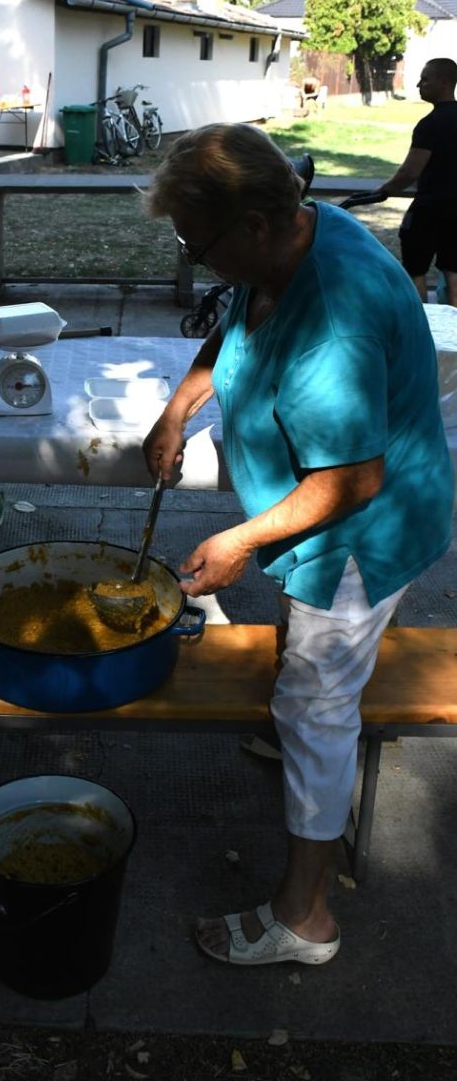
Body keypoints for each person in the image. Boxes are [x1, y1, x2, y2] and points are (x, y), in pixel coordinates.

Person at [142, 123, 454, 966]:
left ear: (252, 224)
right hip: (332, 518)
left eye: (198, 244)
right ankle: (294, 730)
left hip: (358, 536)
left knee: (318, 707)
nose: (195, 259)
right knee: (307, 682)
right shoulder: (286, 236)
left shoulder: (334, 320)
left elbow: (351, 481)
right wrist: (179, 409)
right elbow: (238, 322)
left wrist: (239, 539)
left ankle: (305, 916)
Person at [374, 57, 457, 307]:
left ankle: (421, 328)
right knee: (454, 272)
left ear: (444, 82)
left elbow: (410, 171)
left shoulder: (430, 124)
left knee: (414, 271)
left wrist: (384, 191)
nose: (419, 84)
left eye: (425, 79)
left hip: (430, 209)